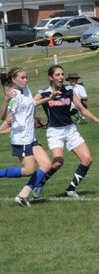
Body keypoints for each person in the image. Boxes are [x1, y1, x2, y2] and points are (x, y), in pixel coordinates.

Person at [33, 65, 99, 198]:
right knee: (58, 162)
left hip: (70, 129)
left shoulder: (69, 90)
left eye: (62, 74)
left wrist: (95, 118)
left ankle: (70, 189)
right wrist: (35, 116)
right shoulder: (43, 93)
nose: (61, 77)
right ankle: (40, 183)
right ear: (50, 77)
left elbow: (82, 109)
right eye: (57, 75)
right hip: (55, 131)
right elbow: (29, 104)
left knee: (87, 159)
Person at [0, 67, 55, 206]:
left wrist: (49, 98)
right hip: (21, 139)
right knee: (29, 170)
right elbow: (4, 116)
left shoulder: (26, 89)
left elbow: (32, 103)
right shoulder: (13, 96)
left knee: (46, 165)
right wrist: (6, 100)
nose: (26, 80)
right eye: (23, 78)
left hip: (31, 137)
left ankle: (22, 196)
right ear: (14, 80)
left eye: (26, 77)